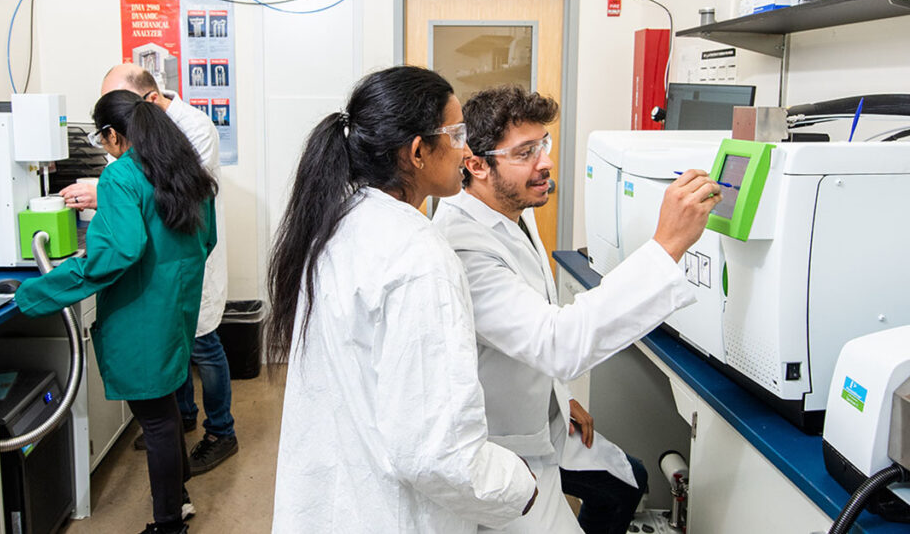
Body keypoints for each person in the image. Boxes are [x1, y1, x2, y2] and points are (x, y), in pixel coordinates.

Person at [432, 85, 721, 534]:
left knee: (628, 480)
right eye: (525, 152)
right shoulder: (462, 247)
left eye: (542, 145)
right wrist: (667, 246)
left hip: (546, 416)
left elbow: (528, 324)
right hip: (507, 449)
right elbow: (554, 341)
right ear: (477, 165)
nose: (545, 162)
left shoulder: (513, 209)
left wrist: (561, 393)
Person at [267, 66, 539, 533]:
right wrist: (518, 486)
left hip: (337, 497)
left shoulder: (341, 221)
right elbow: (435, 451)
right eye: (455, 135)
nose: (466, 149)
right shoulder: (419, 255)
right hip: (388, 512)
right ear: (417, 152)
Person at [16, 89, 218, 534]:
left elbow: (117, 253)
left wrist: (33, 293)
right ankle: (178, 498)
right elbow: (207, 240)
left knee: (159, 422)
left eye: (100, 139)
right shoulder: (185, 171)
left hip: (140, 316)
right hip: (176, 309)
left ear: (113, 134)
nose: (102, 148)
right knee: (166, 410)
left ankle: (168, 524)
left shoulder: (122, 177)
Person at [61, 64, 237, 477]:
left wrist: (106, 193)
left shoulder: (194, 128)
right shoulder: (141, 141)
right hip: (165, 263)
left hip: (187, 258)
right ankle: (179, 419)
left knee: (202, 345)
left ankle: (221, 431)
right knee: (171, 352)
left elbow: (173, 192)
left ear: (149, 101)